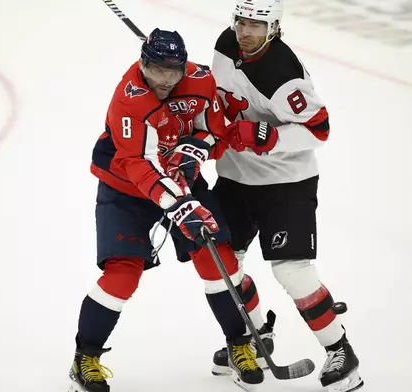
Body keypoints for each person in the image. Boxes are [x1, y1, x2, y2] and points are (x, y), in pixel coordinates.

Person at [68, 28, 268, 392]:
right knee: (122, 275)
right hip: (126, 188)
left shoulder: (201, 80)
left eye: (171, 74)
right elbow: (136, 164)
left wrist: (194, 148)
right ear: (143, 64)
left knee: (218, 258)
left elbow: (214, 130)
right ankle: (86, 359)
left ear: (183, 67)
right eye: (156, 72)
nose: (164, 82)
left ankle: (239, 346)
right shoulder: (129, 100)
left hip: (179, 183)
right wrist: (178, 205)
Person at [207, 1, 365, 391]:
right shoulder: (225, 44)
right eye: (241, 22)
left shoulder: (284, 73)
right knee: (223, 265)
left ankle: (341, 352)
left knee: (291, 271)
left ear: (274, 28)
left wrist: (269, 135)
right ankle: (257, 338)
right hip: (235, 177)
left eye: (256, 25)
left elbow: (320, 130)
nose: (245, 32)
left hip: (286, 183)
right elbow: (220, 95)